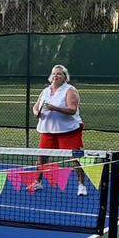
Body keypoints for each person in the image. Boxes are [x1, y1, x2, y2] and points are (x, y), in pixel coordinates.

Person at [31, 64, 88, 196]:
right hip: (48, 130)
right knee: (42, 158)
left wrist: (54, 108)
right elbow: (35, 107)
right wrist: (37, 113)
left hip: (68, 131)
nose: (56, 76)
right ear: (51, 76)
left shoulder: (70, 90)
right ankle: (38, 182)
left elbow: (72, 110)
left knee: (74, 159)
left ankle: (81, 185)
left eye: (59, 74)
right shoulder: (45, 91)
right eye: (54, 74)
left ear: (65, 77)